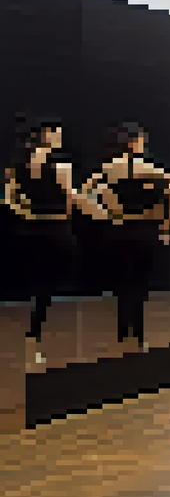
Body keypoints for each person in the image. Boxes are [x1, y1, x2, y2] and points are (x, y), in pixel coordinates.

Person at [83, 122, 170, 351]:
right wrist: (166, 225)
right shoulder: (152, 169)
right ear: (132, 142)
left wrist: (108, 212)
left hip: (117, 230)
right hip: (145, 230)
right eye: (140, 140)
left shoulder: (106, 168)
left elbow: (84, 195)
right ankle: (138, 332)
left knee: (121, 281)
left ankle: (122, 330)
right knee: (141, 282)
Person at [4, 116, 87, 366]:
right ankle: (34, 335)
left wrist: (28, 213)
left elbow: (9, 200)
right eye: (57, 134)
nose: (60, 139)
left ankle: (33, 336)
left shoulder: (17, 166)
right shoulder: (62, 167)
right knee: (47, 283)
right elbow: (71, 200)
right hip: (56, 230)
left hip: (28, 230)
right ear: (47, 136)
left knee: (37, 282)